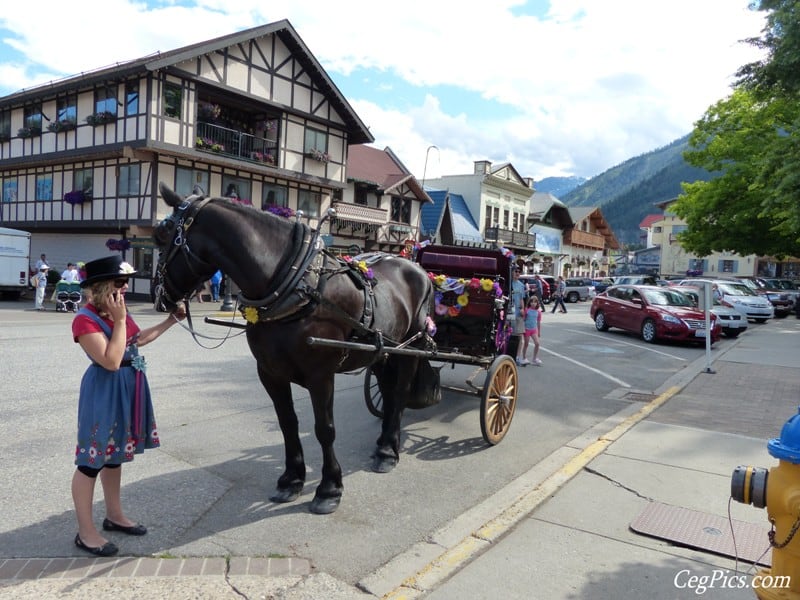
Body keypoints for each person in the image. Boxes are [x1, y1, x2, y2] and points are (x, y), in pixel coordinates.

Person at [70, 255, 186, 557]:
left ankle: (114, 515)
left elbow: (136, 340)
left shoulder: (115, 314)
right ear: (101, 287)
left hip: (128, 387)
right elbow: (109, 359)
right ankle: (86, 532)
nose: (124, 288)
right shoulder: (85, 319)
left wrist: (171, 320)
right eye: (119, 283)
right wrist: (119, 320)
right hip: (104, 391)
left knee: (114, 456)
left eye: (125, 283)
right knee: (90, 462)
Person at [510, 268, 527, 366]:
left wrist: (523, 309)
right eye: (516, 271)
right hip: (509, 313)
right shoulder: (508, 282)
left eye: (519, 272)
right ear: (512, 272)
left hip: (518, 313)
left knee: (520, 336)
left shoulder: (521, 285)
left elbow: (521, 299)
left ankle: (517, 357)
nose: (517, 273)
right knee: (507, 335)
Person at [522, 296, 543, 366]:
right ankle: (524, 358)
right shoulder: (527, 310)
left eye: (535, 302)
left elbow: (538, 322)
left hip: (534, 330)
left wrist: (539, 332)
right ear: (529, 303)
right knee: (526, 344)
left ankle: (534, 359)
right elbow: (523, 320)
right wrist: (522, 329)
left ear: (537, 303)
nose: (533, 303)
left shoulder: (538, 312)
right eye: (532, 302)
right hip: (526, 329)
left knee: (537, 343)